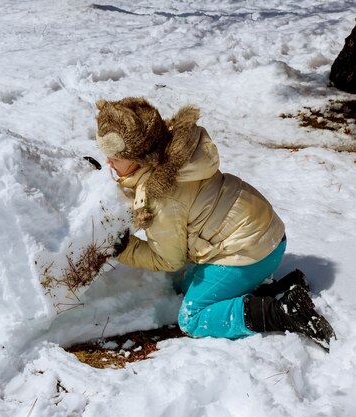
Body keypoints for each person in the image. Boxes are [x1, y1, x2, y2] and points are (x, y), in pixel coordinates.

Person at [96, 97, 335, 350]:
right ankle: (277, 290)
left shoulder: (162, 195)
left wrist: (123, 248)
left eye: (115, 157)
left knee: (192, 317)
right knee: (187, 284)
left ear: (141, 158)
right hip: (267, 237)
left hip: (251, 252)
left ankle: (284, 311)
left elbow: (168, 260)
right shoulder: (173, 159)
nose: (108, 162)